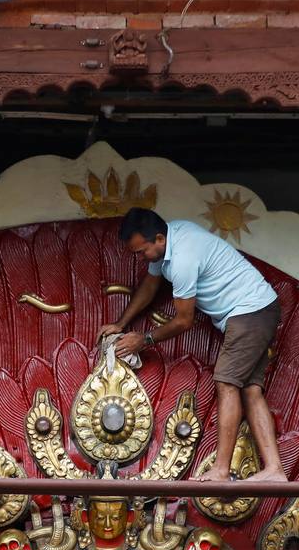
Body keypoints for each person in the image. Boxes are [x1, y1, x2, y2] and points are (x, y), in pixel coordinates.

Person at [103, 207, 286, 482]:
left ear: (159, 239)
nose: (141, 259)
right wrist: (121, 323)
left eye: (142, 252)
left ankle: (221, 470)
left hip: (249, 313)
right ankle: (274, 470)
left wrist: (145, 340)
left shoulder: (183, 260)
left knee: (226, 383)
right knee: (250, 390)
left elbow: (183, 321)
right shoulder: (172, 235)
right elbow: (151, 285)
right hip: (257, 311)